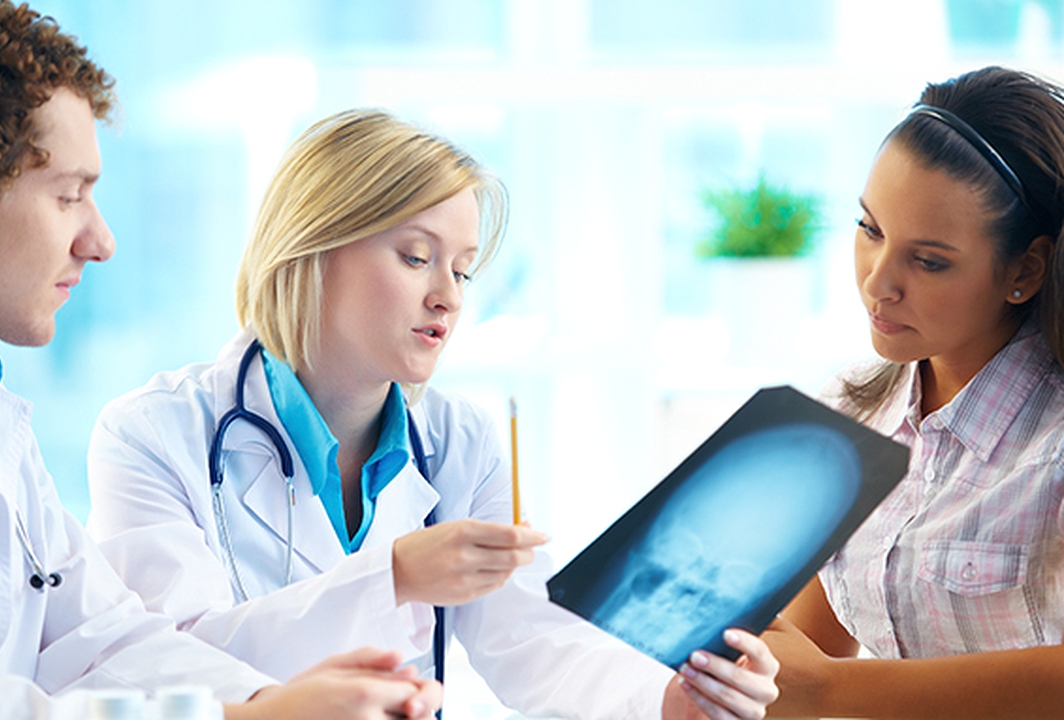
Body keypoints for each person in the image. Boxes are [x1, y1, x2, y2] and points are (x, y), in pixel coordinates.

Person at [0, 3, 442, 718]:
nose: (100, 242)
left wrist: (276, 700)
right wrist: (239, 719)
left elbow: (102, 641)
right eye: (69, 196)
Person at [86, 107, 779, 720]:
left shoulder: (459, 442)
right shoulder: (153, 435)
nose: (448, 296)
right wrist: (393, 578)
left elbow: (531, 637)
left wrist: (669, 699)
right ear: (313, 248)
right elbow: (166, 669)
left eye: (463, 269)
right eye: (417, 257)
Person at [762, 66, 1064, 719]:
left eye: (928, 261)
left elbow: (820, 683)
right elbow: (806, 658)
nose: (878, 283)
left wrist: (829, 688)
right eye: (870, 229)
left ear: (1025, 268)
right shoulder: (850, 412)